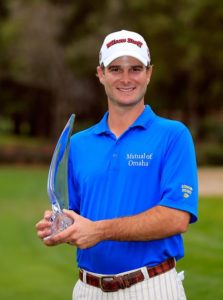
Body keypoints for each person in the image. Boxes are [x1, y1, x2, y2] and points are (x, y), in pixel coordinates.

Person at [36, 29, 198, 300]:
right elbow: (78, 217)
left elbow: (176, 218)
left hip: (152, 288)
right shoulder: (79, 143)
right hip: (88, 290)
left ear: (149, 73)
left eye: (135, 68)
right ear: (100, 74)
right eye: (115, 68)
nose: (125, 78)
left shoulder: (174, 135)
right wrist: (60, 226)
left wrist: (98, 231)